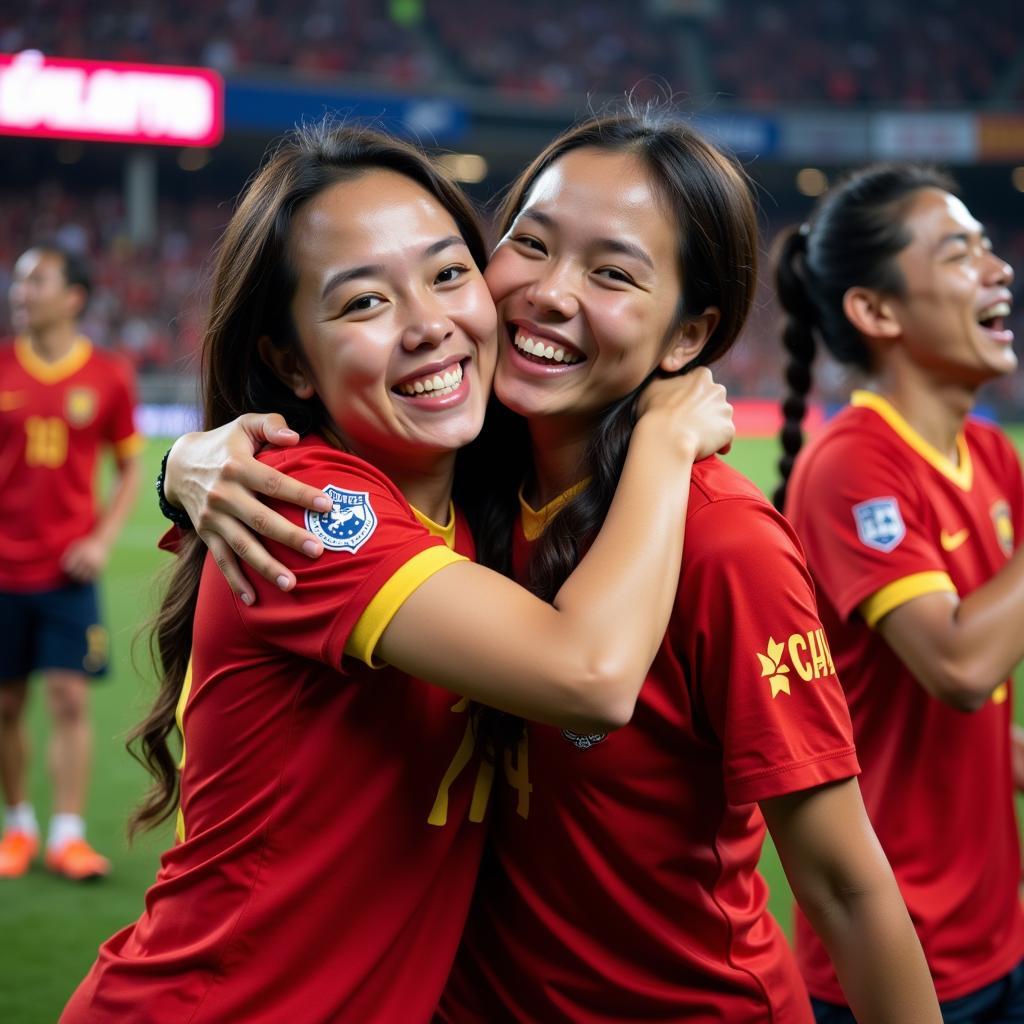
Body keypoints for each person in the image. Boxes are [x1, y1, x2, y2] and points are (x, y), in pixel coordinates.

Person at [164, 111, 940, 1022]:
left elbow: (847, 889)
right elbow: (570, 660)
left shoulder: (724, 541)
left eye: (612, 273)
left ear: (687, 338)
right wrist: (183, 467)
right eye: (529, 244)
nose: (550, 292)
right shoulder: (452, 485)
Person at [61, 122, 734, 1024]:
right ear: (289, 361)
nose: (429, 326)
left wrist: (178, 464)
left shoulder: (480, 501)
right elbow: (589, 673)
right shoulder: (304, 503)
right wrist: (664, 436)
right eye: (364, 303)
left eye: (449, 273)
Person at [773, 165, 1024, 1021]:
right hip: (901, 960)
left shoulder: (991, 459)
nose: (1000, 271)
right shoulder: (854, 465)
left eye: (991, 249)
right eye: (961, 254)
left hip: (998, 932)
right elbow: (957, 663)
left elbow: (980, 702)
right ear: (877, 313)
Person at [0, 243, 141, 881]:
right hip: (3, 570)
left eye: (37, 279)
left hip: (67, 572)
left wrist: (101, 540)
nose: (20, 290)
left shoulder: (109, 375)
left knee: (68, 699)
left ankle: (68, 835)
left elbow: (133, 464)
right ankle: (19, 827)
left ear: (74, 298)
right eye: (19, 280)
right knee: (5, 706)